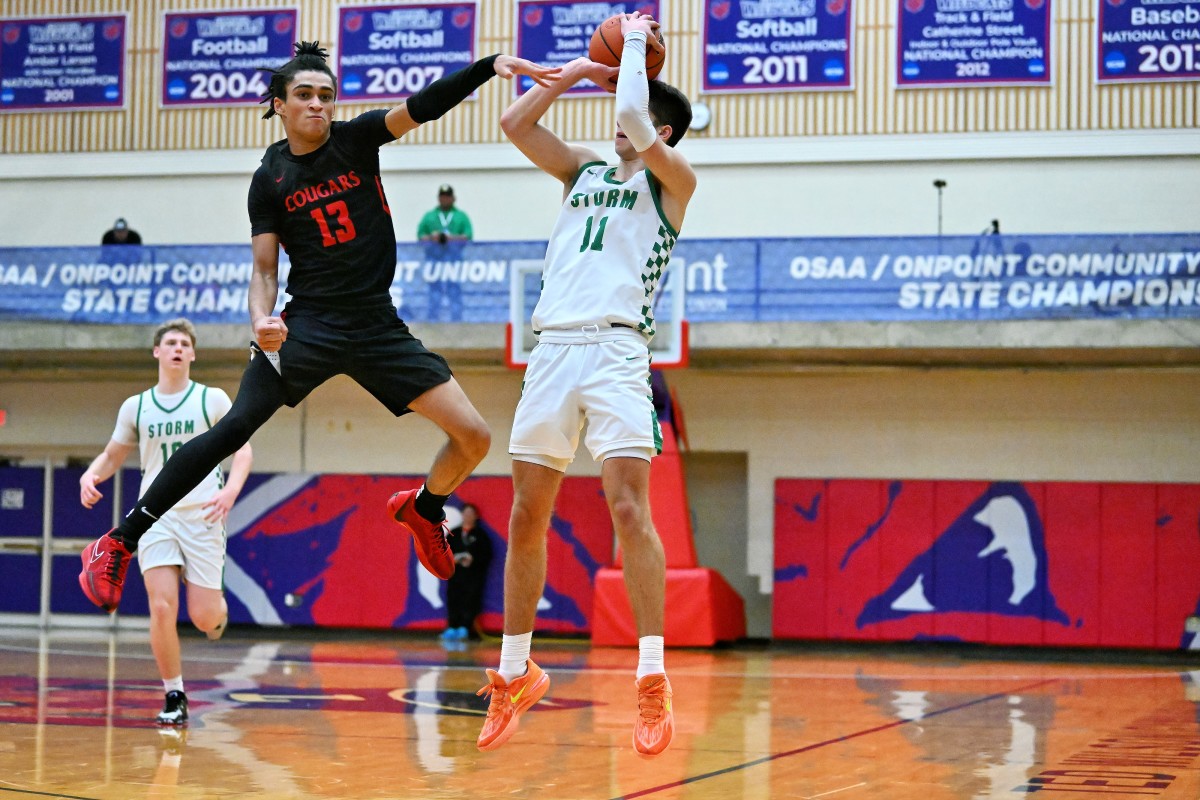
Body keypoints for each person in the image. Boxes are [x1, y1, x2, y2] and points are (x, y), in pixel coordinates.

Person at [78, 41, 560, 616]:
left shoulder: (356, 140)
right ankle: (120, 541)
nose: (318, 105)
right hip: (308, 324)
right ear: (279, 104)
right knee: (232, 429)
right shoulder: (269, 179)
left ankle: (424, 508)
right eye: (304, 95)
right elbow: (263, 270)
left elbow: (423, 105)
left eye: (326, 96)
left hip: (376, 324)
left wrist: (487, 68)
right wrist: (262, 321)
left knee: (475, 436)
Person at [475, 12, 695, 757]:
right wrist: (570, 73)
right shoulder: (584, 171)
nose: (621, 127)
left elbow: (634, 107)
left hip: (617, 354)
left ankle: (652, 675)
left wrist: (632, 41)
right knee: (525, 513)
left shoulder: (674, 183)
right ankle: (514, 671)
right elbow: (512, 122)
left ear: (663, 132)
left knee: (628, 507)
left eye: (638, 122)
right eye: (620, 119)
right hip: (552, 352)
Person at [78, 318, 253, 726]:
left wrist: (229, 492)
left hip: (204, 513)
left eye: (184, 343)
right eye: (170, 342)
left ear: (192, 354)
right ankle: (174, 694)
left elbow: (243, 452)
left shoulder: (211, 399)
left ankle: (218, 614)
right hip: (155, 518)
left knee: (205, 618)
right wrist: (91, 473)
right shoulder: (136, 406)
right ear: (157, 352)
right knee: (161, 606)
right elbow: (112, 454)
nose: (177, 348)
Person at [443, 502, 492, 641]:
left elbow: (487, 555)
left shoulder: (481, 535)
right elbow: (442, 552)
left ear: (476, 516)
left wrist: (473, 559)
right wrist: (454, 560)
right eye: (466, 513)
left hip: (473, 576)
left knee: (471, 600)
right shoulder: (454, 533)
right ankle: (452, 627)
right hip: (455, 575)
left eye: (471, 514)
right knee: (454, 599)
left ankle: (466, 628)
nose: (468, 516)